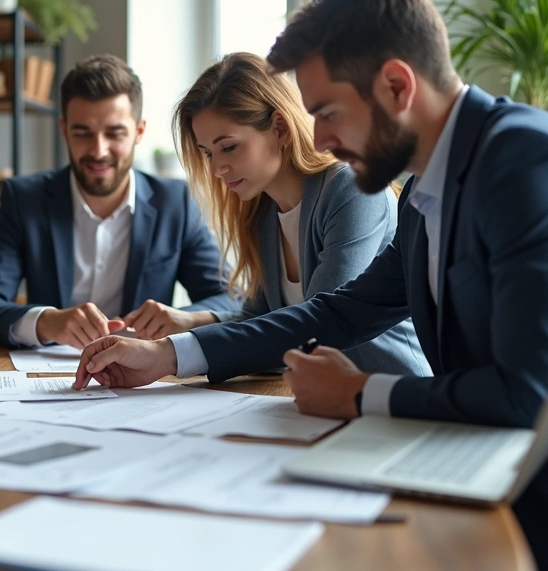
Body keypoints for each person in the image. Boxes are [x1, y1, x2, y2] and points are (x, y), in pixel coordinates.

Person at [73, 0, 548, 571]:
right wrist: (169, 356)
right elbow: (337, 310)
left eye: (328, 111)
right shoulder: (428, 189)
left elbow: (530, 394)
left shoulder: (528, 165)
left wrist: (358, 393)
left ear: (397, 85)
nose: (319, 137)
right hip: (491, 475)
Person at [0, 55, 240, 349]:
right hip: (46, 377)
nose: (99, 150)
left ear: (139, 132)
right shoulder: (25, 200)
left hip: (143, 378)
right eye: (83, 133)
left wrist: (186, 319)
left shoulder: (175, 202)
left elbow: (233, 300)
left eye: (114, 133)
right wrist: (47, 321)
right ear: (65, 130)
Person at [173, 52, 429, 377]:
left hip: (389, 397)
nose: (216, 169)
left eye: (229, 147)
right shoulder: (261, 210)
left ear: (280, 128)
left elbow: (316, 328)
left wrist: (174, 352)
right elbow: (262, 319)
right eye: (207, 153)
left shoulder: (350, 189)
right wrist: (190, 323)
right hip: (313, 401)